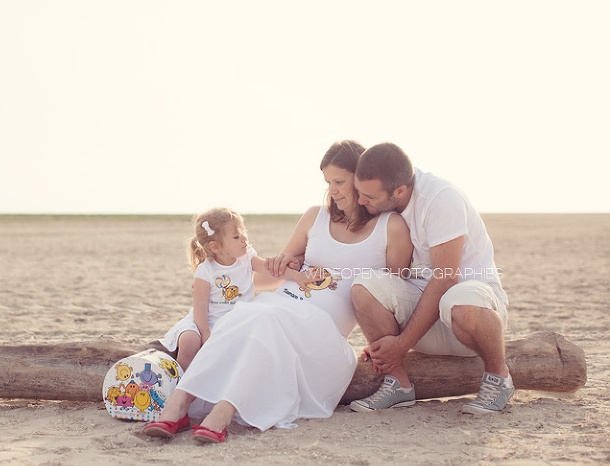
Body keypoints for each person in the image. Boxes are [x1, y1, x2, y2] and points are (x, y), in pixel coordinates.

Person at [144, 140, 413, 443]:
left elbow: (392, 295)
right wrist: (285, 261)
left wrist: (379, 340)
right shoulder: (315, 216)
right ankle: (179, 404)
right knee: (250, 313)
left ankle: (221, 412)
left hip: (322, 336)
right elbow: (282, 266)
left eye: (340, 181)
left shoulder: (391, 227)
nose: (333, 190)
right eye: (328, 182)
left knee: (264, 315)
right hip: (279, 307)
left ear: (360, 178)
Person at [349, 142, 511, 415]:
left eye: (369, 197)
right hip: (424, 319)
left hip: (468, 321)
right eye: (359, 192)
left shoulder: (441, 199)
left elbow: (446, 278)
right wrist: (381, 338)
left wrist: (400, 345)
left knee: (459, 300)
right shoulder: (384, 201)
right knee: (364, 286)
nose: (361, 201)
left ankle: (499, 377)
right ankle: (398, 385)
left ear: (399, 191)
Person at [158, 207, 313, 370]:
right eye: (236, 236)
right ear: (215, 247)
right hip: (204, 321)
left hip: (233, 321)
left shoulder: (247, 258)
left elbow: (270, 269)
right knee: (189, 342)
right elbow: (200, 307)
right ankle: (179, 381)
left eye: (243, 231)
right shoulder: (206, 270)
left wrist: (297, 276)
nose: (244, 238)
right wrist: (205, 334)